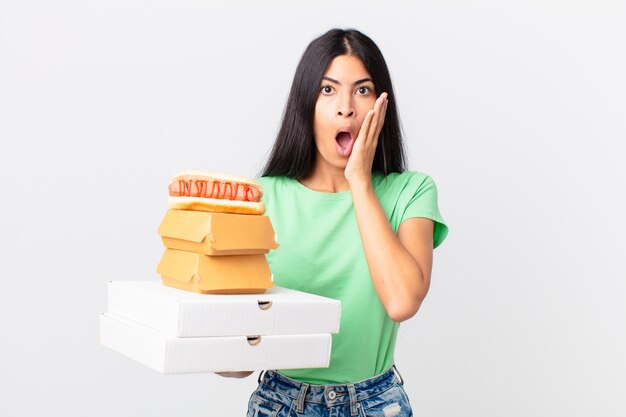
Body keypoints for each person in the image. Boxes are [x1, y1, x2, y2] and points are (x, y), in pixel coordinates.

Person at [220, 28, 448, 417]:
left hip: (377, 403)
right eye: (328, 90)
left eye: (362, 90)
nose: (346, 108)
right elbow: (234, 365)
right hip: (280, 402)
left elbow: (402, 300)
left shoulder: (411, 192)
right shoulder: (261, 198)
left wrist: (359, 181)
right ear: (305, 103)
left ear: (380, 104)